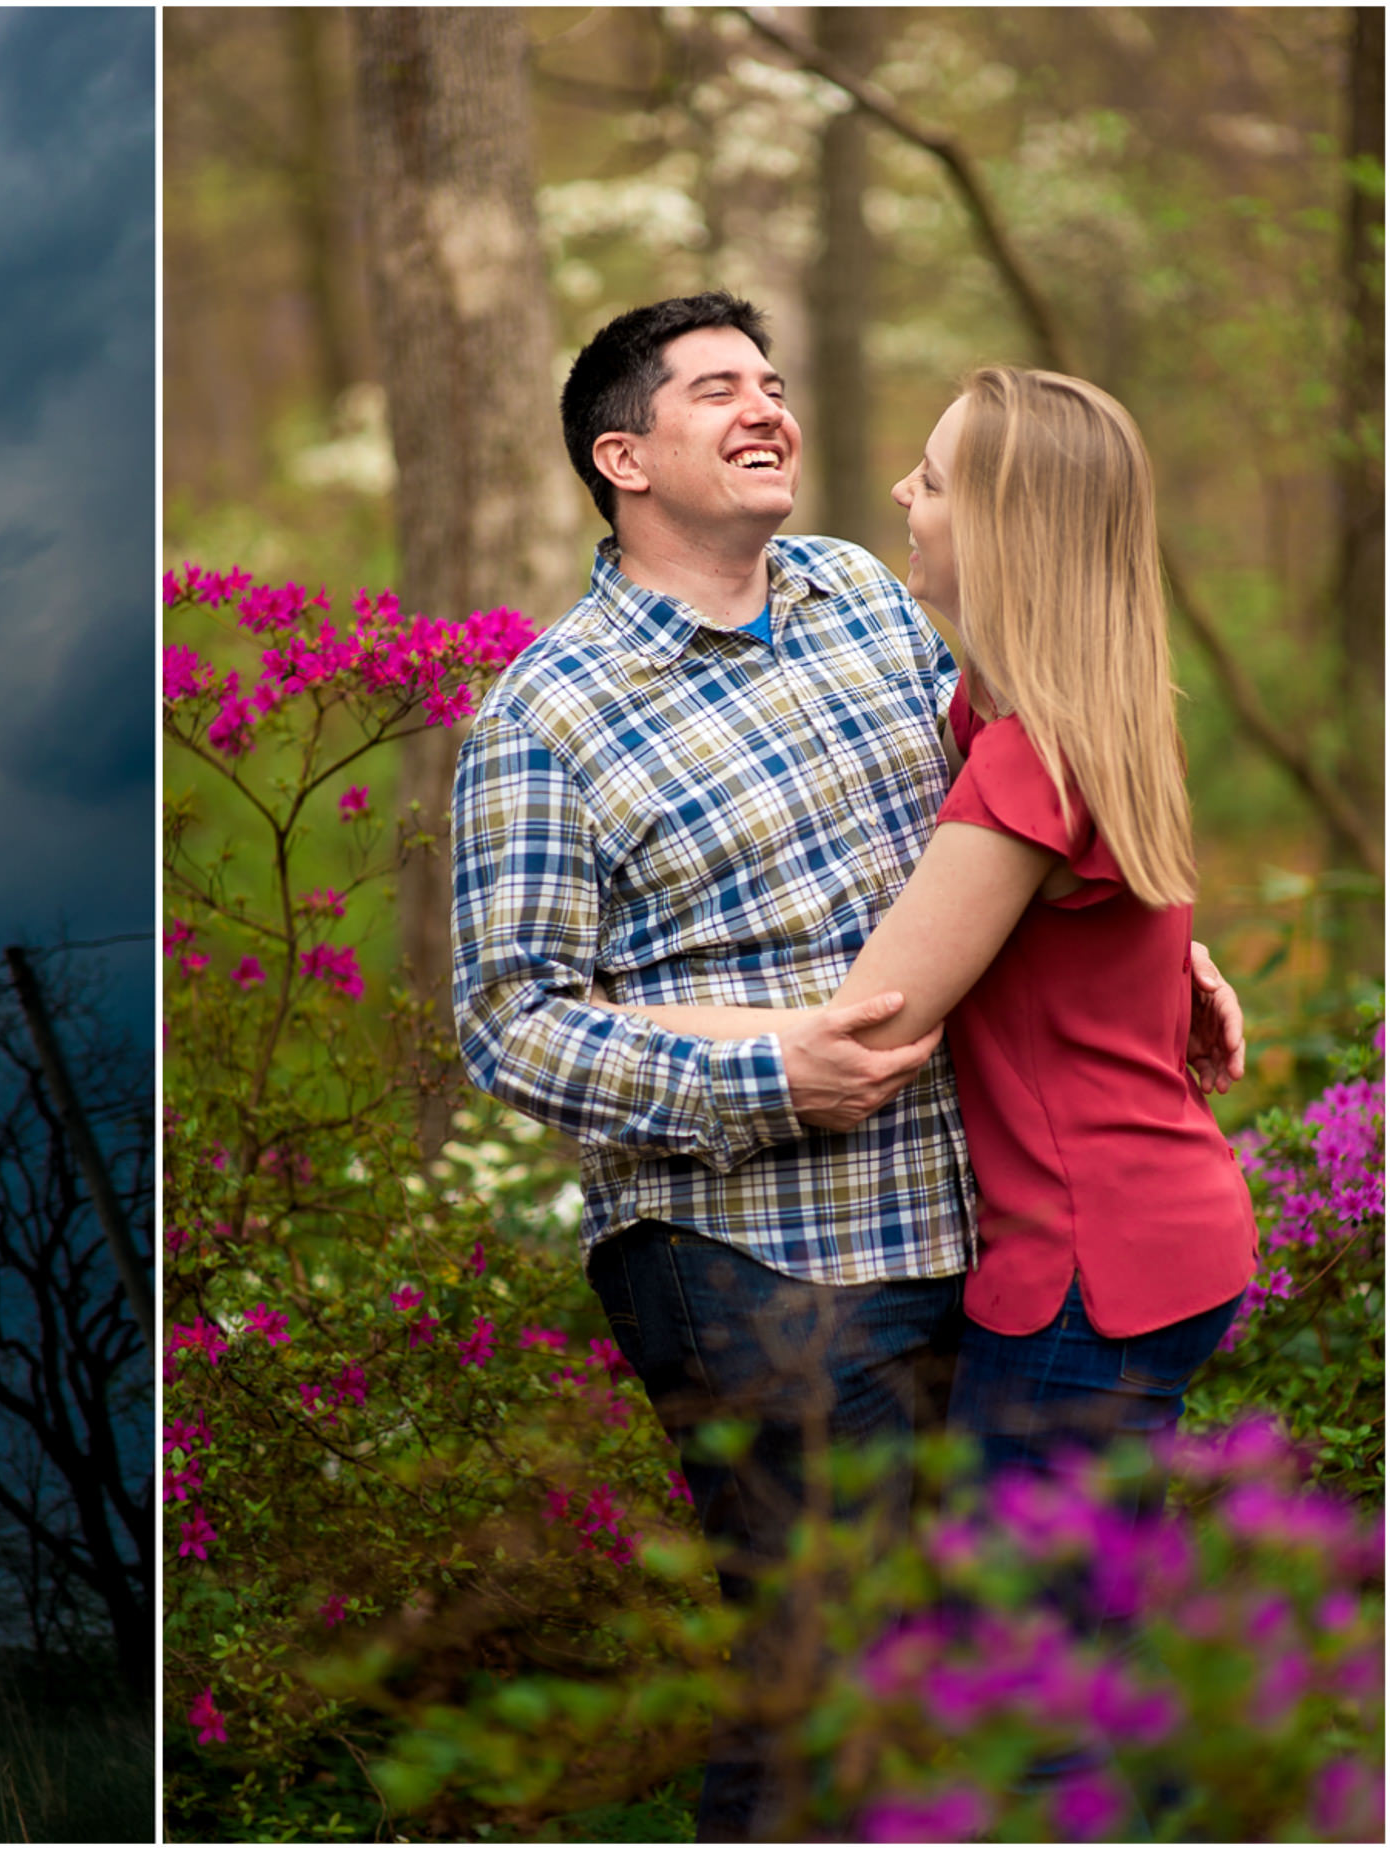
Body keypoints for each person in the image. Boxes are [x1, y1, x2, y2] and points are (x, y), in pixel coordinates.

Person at [447, 296, 1242, 1839]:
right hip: (762, 1260)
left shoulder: (863, 596)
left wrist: (1156, 942)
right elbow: (511, 1020)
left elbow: (1033, 814)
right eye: (713, 393)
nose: (767, 410)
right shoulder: (546, 716)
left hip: (980, 1232)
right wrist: (762, 1069)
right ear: (623, 456)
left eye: (774, 381)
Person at [604, 367, 1254, 1484]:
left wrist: (622, 1015)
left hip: (1085, 1268)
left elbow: (868, 1022)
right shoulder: (1056, 704)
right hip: (1161, 1216)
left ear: (1008, 531)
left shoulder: (1025, 759)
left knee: (1025, 1644)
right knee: (1084, 1611)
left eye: (938, 481)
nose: (903, 489)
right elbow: (1082, 923)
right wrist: (1165, 970)